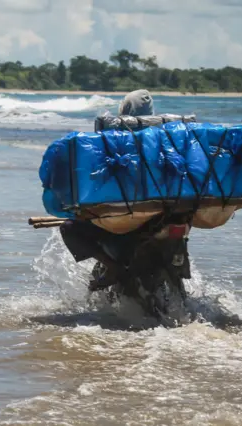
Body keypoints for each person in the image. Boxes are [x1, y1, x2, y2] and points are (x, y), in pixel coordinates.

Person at [60, 89, 157, 289]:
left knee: (69, 227)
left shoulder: (113, 136)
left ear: (125, 108)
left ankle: (111, 266)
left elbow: (98, 175)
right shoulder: (165, 137)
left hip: (125, 217)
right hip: (162, 215)